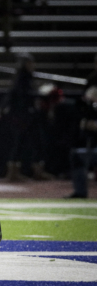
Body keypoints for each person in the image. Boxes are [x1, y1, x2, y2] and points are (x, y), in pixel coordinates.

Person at [0, 53, 54, 181]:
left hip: (27, 116)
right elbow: (17, 96)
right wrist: (41, 94)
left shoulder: (26, 78)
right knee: (20, 143)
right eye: (30, 63)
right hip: (22, 117)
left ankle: (35, 170)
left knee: (32, 142)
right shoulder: (22, 78)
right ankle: (14, 173)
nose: (33, 66)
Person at [66, 54, 97, 198]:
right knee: (77, 156)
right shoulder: (91, 80)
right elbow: (83, 106)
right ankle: (80, 191)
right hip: (90, 133)